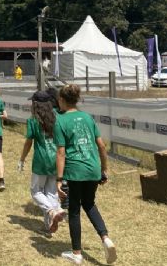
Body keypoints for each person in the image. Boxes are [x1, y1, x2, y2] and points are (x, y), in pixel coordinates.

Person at [54, 84, 115, 265]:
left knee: (74, 210)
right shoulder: (88, 118)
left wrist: (58, 179)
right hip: (93, 168)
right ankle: (105, 238)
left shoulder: (60, 121)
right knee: (89, 203)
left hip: (75, 171)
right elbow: (102, 146)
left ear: (63, 100)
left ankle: (77, 253)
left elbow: (60, 153)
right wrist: (103, 169)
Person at [19, 90, 65, 234]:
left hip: (41, 160)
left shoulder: (33, 120)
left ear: (35, 104)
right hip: (57, 159)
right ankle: (49, 225)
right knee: (51, 192)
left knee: (36, 191)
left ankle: (53, 211)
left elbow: (28, 142)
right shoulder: (57, 117)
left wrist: (22, 159)